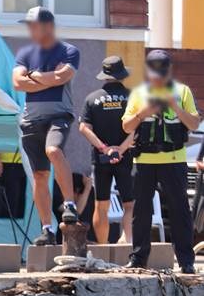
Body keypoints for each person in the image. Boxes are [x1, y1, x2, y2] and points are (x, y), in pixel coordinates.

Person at [123, 50, 200, 273]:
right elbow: (126, 127)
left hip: (174, 160)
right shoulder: (139, 93)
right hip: (144, 161)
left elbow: (194, 124)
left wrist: (175, 106)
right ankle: (138, 258)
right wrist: (144, 112)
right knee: (141, 211)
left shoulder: (182, 91)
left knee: (180, 210)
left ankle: (186, 260)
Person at [12, 6, 81, 246]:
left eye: (34, 25)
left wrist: (35, 76)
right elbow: (18, 83)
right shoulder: (25, 52)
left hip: (58, 115)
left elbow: (61, 78)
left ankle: (69, 204)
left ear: (48, 27)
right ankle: (46, 229)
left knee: (53, 151)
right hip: (30, 120)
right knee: (39, 175)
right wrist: (46, 78)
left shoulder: (70, 51)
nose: (30, 30)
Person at [79, 56, 135, 244]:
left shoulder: (92, 99)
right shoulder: (131, 97)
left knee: (101, 205)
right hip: (124, 158)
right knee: (129, 204)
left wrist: (104, 148)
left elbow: (84, 128)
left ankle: (103, 248)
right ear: (122, 75)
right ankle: (127, 243)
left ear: (104, 75)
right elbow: (138, 127)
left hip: (101, 159)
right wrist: (121, 149)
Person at [52, 172, 94, 243]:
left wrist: (87, 188)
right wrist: (87, 189)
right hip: (61, 239)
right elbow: (76, 211)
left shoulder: (85, 183)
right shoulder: (55, 189)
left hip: (81, 237)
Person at [0, 150, 27, 218]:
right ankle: (5, 227)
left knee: (26, 205)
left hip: (33, 159)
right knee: (11, 202)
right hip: (8, 159)